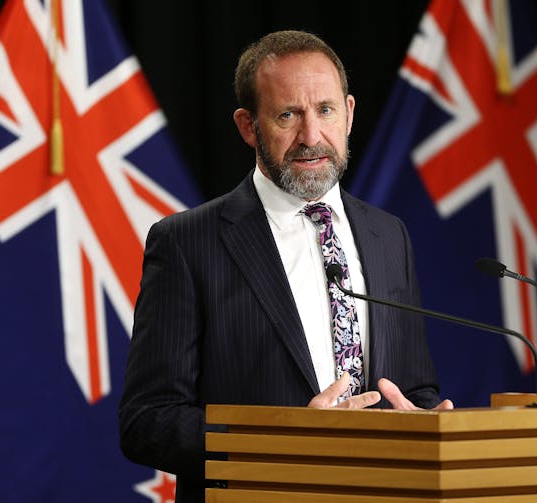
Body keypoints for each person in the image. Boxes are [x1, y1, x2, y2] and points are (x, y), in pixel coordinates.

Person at [118, 29, 453, 502]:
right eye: (287, 115)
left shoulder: (387, 235)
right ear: (248, 126)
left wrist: (420, 421)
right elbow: (147, 420)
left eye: (326, 110)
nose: (311, 136)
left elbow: (413, 386)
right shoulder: (187, 242)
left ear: (349, 114)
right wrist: (285, 439)